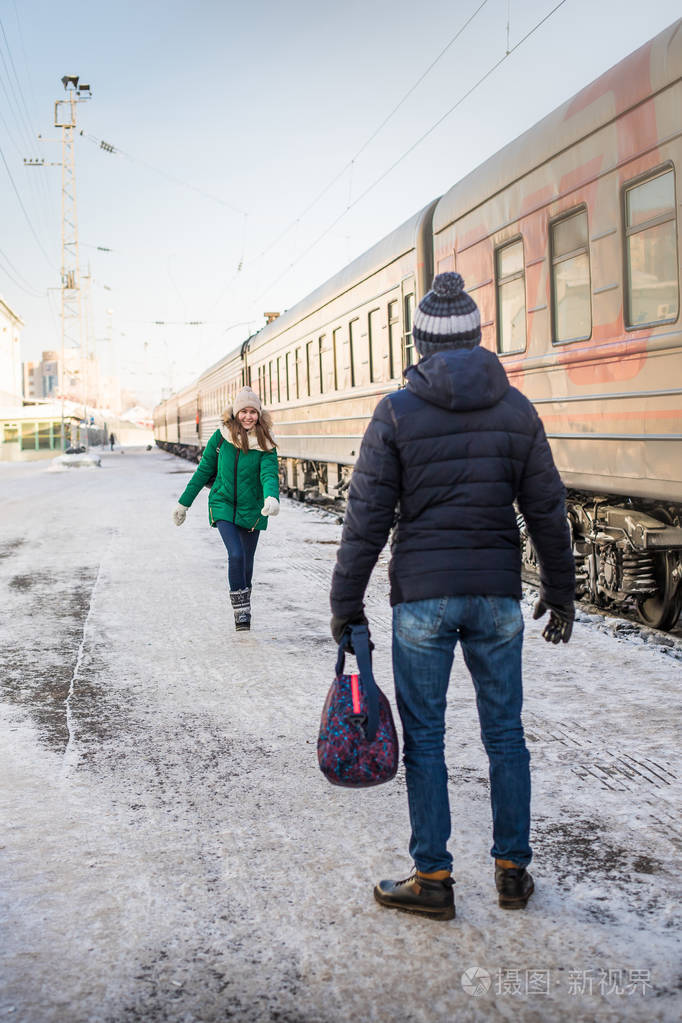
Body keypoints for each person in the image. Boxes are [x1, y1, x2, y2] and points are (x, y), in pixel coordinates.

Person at [329, 272, 575, 921]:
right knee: (505, 733)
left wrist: (345, 603)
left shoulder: (396, 411)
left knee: (428, 738)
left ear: (420, 344)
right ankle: (513, 871)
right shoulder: (516, 408)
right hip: (496, 597)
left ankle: (433, 876)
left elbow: (367, 518)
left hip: (423, 601)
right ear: (474, 338)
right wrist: (561, 588)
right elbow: (548, 508)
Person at [172, 386, 280, 631]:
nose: (248, 416)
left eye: (253, 412)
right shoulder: (220, 437)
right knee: (236, 554)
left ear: (259, 415)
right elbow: (203, 472)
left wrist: (272, 498)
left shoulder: (265, 442)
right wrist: (183, 503)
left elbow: (269, 474)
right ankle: (241, 612)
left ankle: (245, 600)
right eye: (243, 411)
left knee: (248, 561)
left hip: (252, 508)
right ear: (235, 412)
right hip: (222, 504)